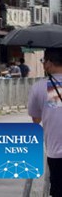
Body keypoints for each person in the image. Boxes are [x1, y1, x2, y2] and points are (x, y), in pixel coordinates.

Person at [29, 47, 62, 196]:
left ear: (49, 63)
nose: (43, 64)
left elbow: (36, 119)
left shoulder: (40, 87)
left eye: (43, 61)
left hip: (57, 152)